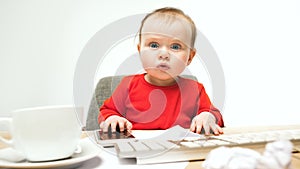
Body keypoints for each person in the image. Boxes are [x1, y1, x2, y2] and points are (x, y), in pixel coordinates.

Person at [98, 7, 224, 135]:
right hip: (137, 150)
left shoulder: (195, 90)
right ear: (140, 50)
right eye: (154, 45)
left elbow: (216, 115)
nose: (164, 54)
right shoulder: (128, 85)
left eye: (175, 46)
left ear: (190, 57)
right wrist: (113, 118)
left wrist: (207, 116)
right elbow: (107, 111)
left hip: (180, 152)